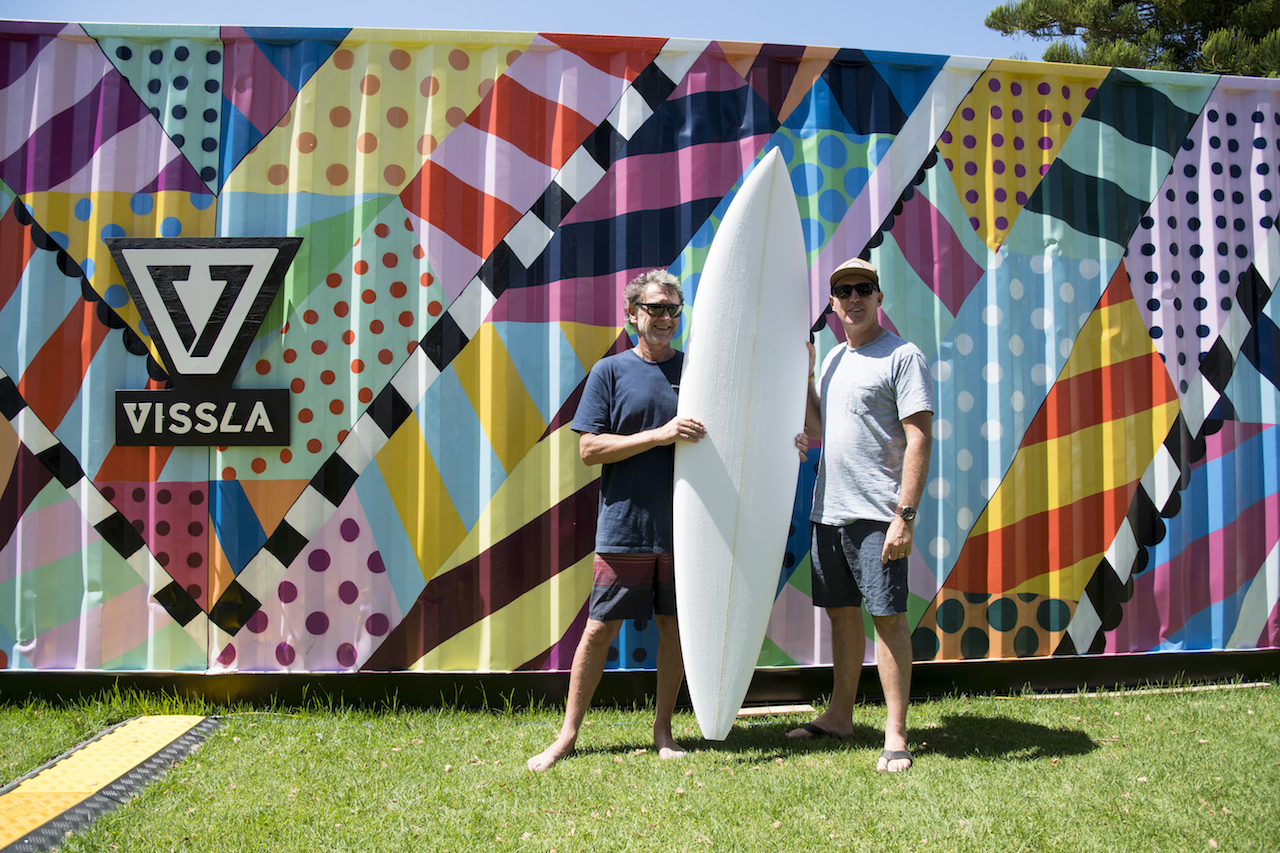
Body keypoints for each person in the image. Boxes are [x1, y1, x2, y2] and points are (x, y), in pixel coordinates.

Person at [527, 269, 707, 772]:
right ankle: (567, 735)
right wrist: (659, 435)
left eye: (673, 309)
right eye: (655, 309)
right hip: (625, 527)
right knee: (600, 628)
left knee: (675, 630)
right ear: (632, 315)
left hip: (684, 532)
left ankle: (664, 731)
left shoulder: (695, 373)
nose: (666, 318)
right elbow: (589, 449)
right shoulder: (610, 372)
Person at [787, 257, 934, 773]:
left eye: (863, 289)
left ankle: (896, 734)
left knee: (888, 619)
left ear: (878, 298)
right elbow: (821, 425)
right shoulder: (831, 361)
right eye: (844, 291)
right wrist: (806, 379)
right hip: (829, 513)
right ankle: (840, 717)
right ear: (833, 304)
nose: (854, 298)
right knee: (842, 617)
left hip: (879, 515)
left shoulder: (902, 356)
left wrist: (905, 516)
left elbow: (919, 438)